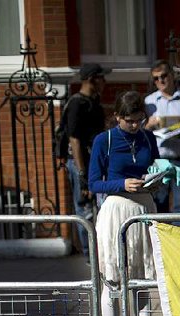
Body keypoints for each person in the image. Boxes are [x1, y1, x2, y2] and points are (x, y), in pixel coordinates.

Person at [89, 91, 161, 316]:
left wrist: (157, 178)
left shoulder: (147, 138)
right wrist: (122, 184)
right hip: (117, 208)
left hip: (143, 206)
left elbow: (154, 165)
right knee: (114, 277)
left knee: (143, 276)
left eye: (139, 120)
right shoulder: (103, 140)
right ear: (117, 117)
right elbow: (94, 183)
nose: (135, 126)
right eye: (129, 121)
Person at [144, 60, 180, 226]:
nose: (161, 81)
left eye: (164, 76)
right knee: (159, 204)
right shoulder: (149, 102)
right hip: (159, 161)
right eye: (156, 79)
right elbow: (141, 130)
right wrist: (149, 124)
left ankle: (179, 248)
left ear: (172, 76)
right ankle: (161, 247)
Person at [63, 63, 110, 256]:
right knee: (85, 210)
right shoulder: (77, 104)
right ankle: (90, 256)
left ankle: (99, 254)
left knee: (99, 208)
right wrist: (83, 174)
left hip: (94, 162)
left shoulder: (94, 102)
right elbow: (74, 140)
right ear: (91, 79)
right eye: (101, 77)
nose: (105, 82)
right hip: (80, 162)